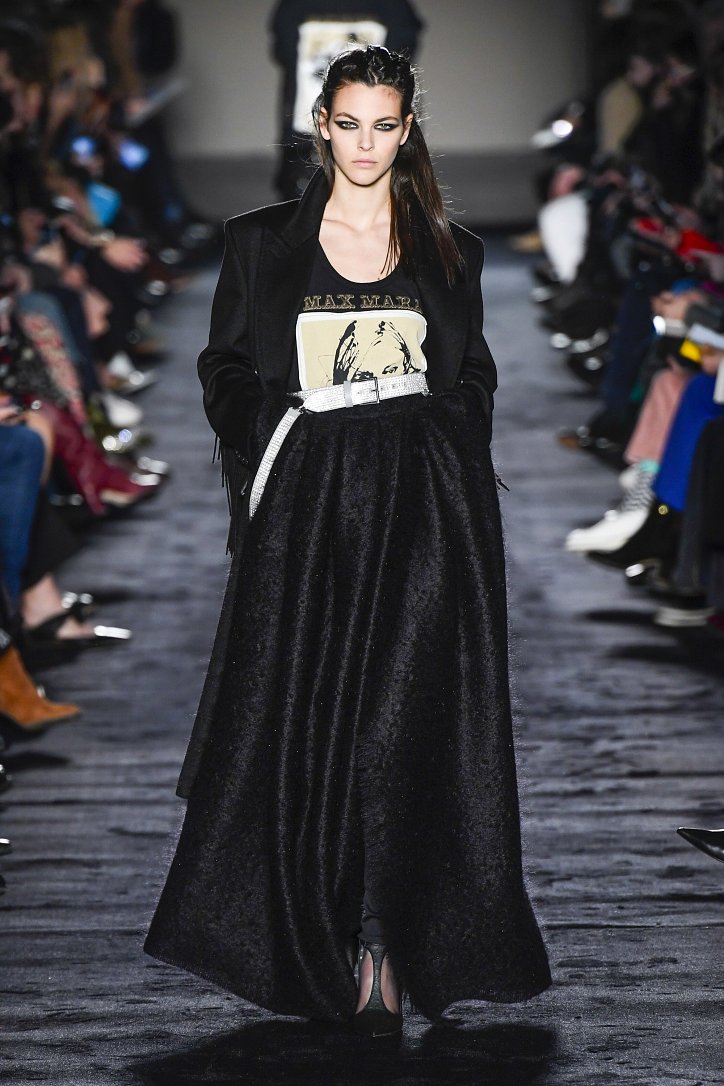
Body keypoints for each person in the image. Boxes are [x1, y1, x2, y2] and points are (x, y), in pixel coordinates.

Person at [145, 46, 550, 1036]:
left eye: (385, 125)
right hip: (306, 523)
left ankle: (382, 944)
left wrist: (440, 433)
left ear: (406, 131)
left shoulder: (451, 250)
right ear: (321, 125)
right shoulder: (258, 244)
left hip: (425, 519)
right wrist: (280, 429)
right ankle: (317, 935)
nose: (366, 144)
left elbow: (473, 373)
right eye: (349, 123)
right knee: (308, 732)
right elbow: (224, 366)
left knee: (401, 731)